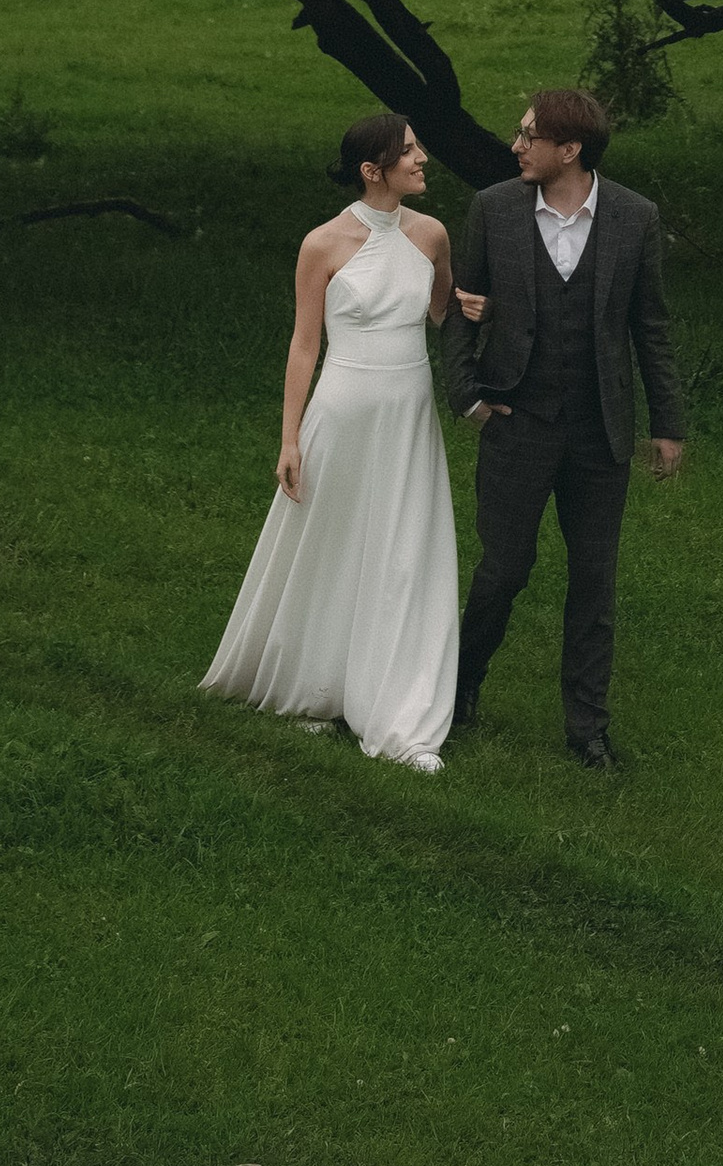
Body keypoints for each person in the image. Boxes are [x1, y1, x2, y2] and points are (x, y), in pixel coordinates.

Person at [199, 108, 483, 773]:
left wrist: (484, 312)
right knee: (333, 543)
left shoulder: (433, 234)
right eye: (410, 153)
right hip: (345, 408)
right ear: (372, 170)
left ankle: (400, 707)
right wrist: (289, 439)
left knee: (403, 549)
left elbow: (446, 312)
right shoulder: (321, 244)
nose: (423, 160)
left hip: (408, 413)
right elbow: (304, 345)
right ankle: (316, 684)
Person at [445, 85, 687, 770]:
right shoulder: (493, 209)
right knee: (503, 571)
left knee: (594, 582)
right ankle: (459, 687)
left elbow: (651, 327)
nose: (516, 146)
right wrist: (468, 396)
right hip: (518, 424)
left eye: (529, 136)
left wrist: (668, 423)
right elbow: (463, 310)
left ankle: (587, 728)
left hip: (599, 432)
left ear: (569, 150)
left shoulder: (635, 218)